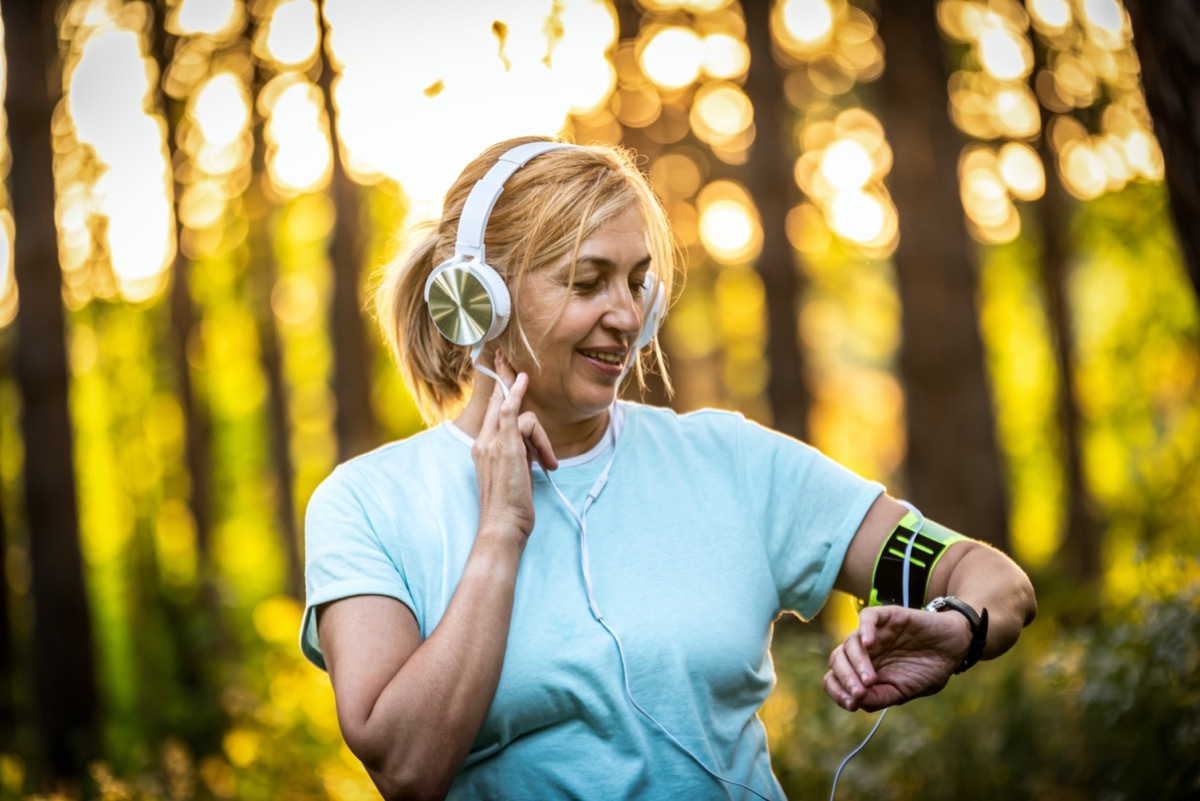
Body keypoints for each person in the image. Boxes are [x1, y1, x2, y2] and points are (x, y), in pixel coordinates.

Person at [300, 136, 1037, 801]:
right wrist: (499, 535)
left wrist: (961, 627)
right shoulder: (369, 505)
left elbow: (990, 579)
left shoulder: (732, 464)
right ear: (479, 303)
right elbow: (405, 766)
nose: (627, 315)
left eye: (636, 280)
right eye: (588, 282)